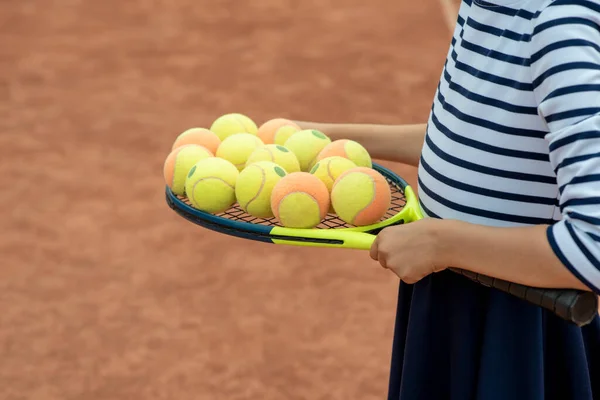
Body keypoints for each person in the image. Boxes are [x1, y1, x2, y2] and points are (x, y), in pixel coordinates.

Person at [294, 0, 600, 398]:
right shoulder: (485, 5)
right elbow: (474, 144)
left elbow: (592, 248)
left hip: (523, 335)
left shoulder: (560, 24)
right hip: (452, 304)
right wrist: (324, 139)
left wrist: (442, 244)